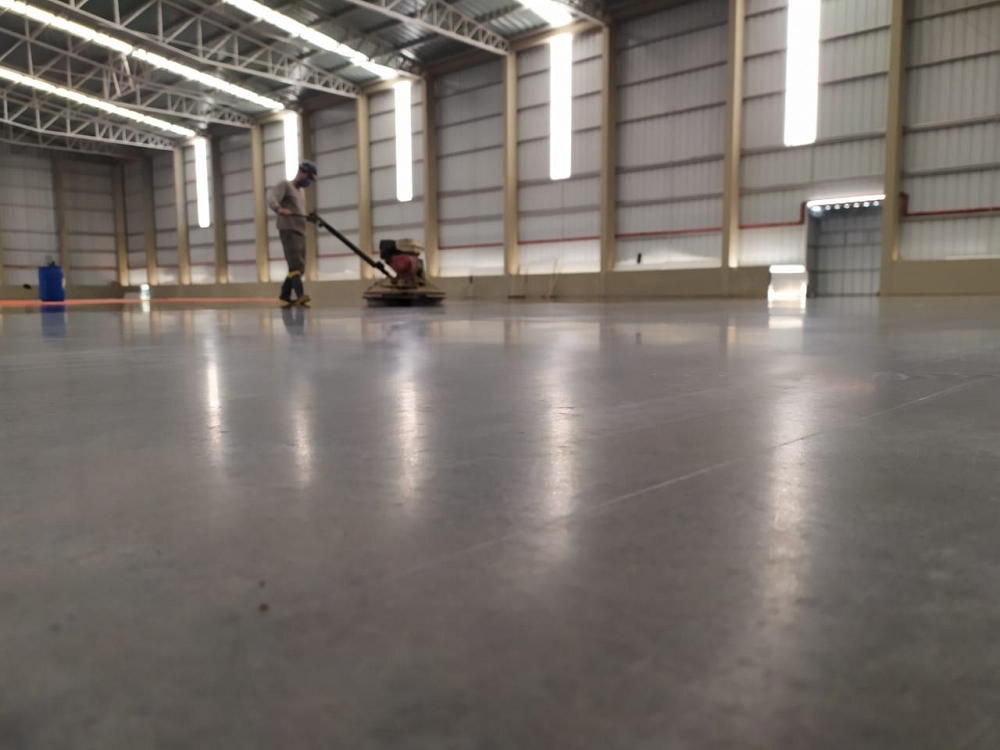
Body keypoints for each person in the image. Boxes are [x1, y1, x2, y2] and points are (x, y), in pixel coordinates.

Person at [267, 161, 317, 307]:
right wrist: (279, 209)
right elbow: (271, 197)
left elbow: (298, 210)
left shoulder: (301, 192)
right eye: (308, 177)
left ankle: (285, 295)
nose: (308, 181)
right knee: (296, 264)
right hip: (288, 229)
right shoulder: (285, 185)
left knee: (300, 268)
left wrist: (308, 218)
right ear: (301, 172)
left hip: (300, 231)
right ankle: (300, 295)